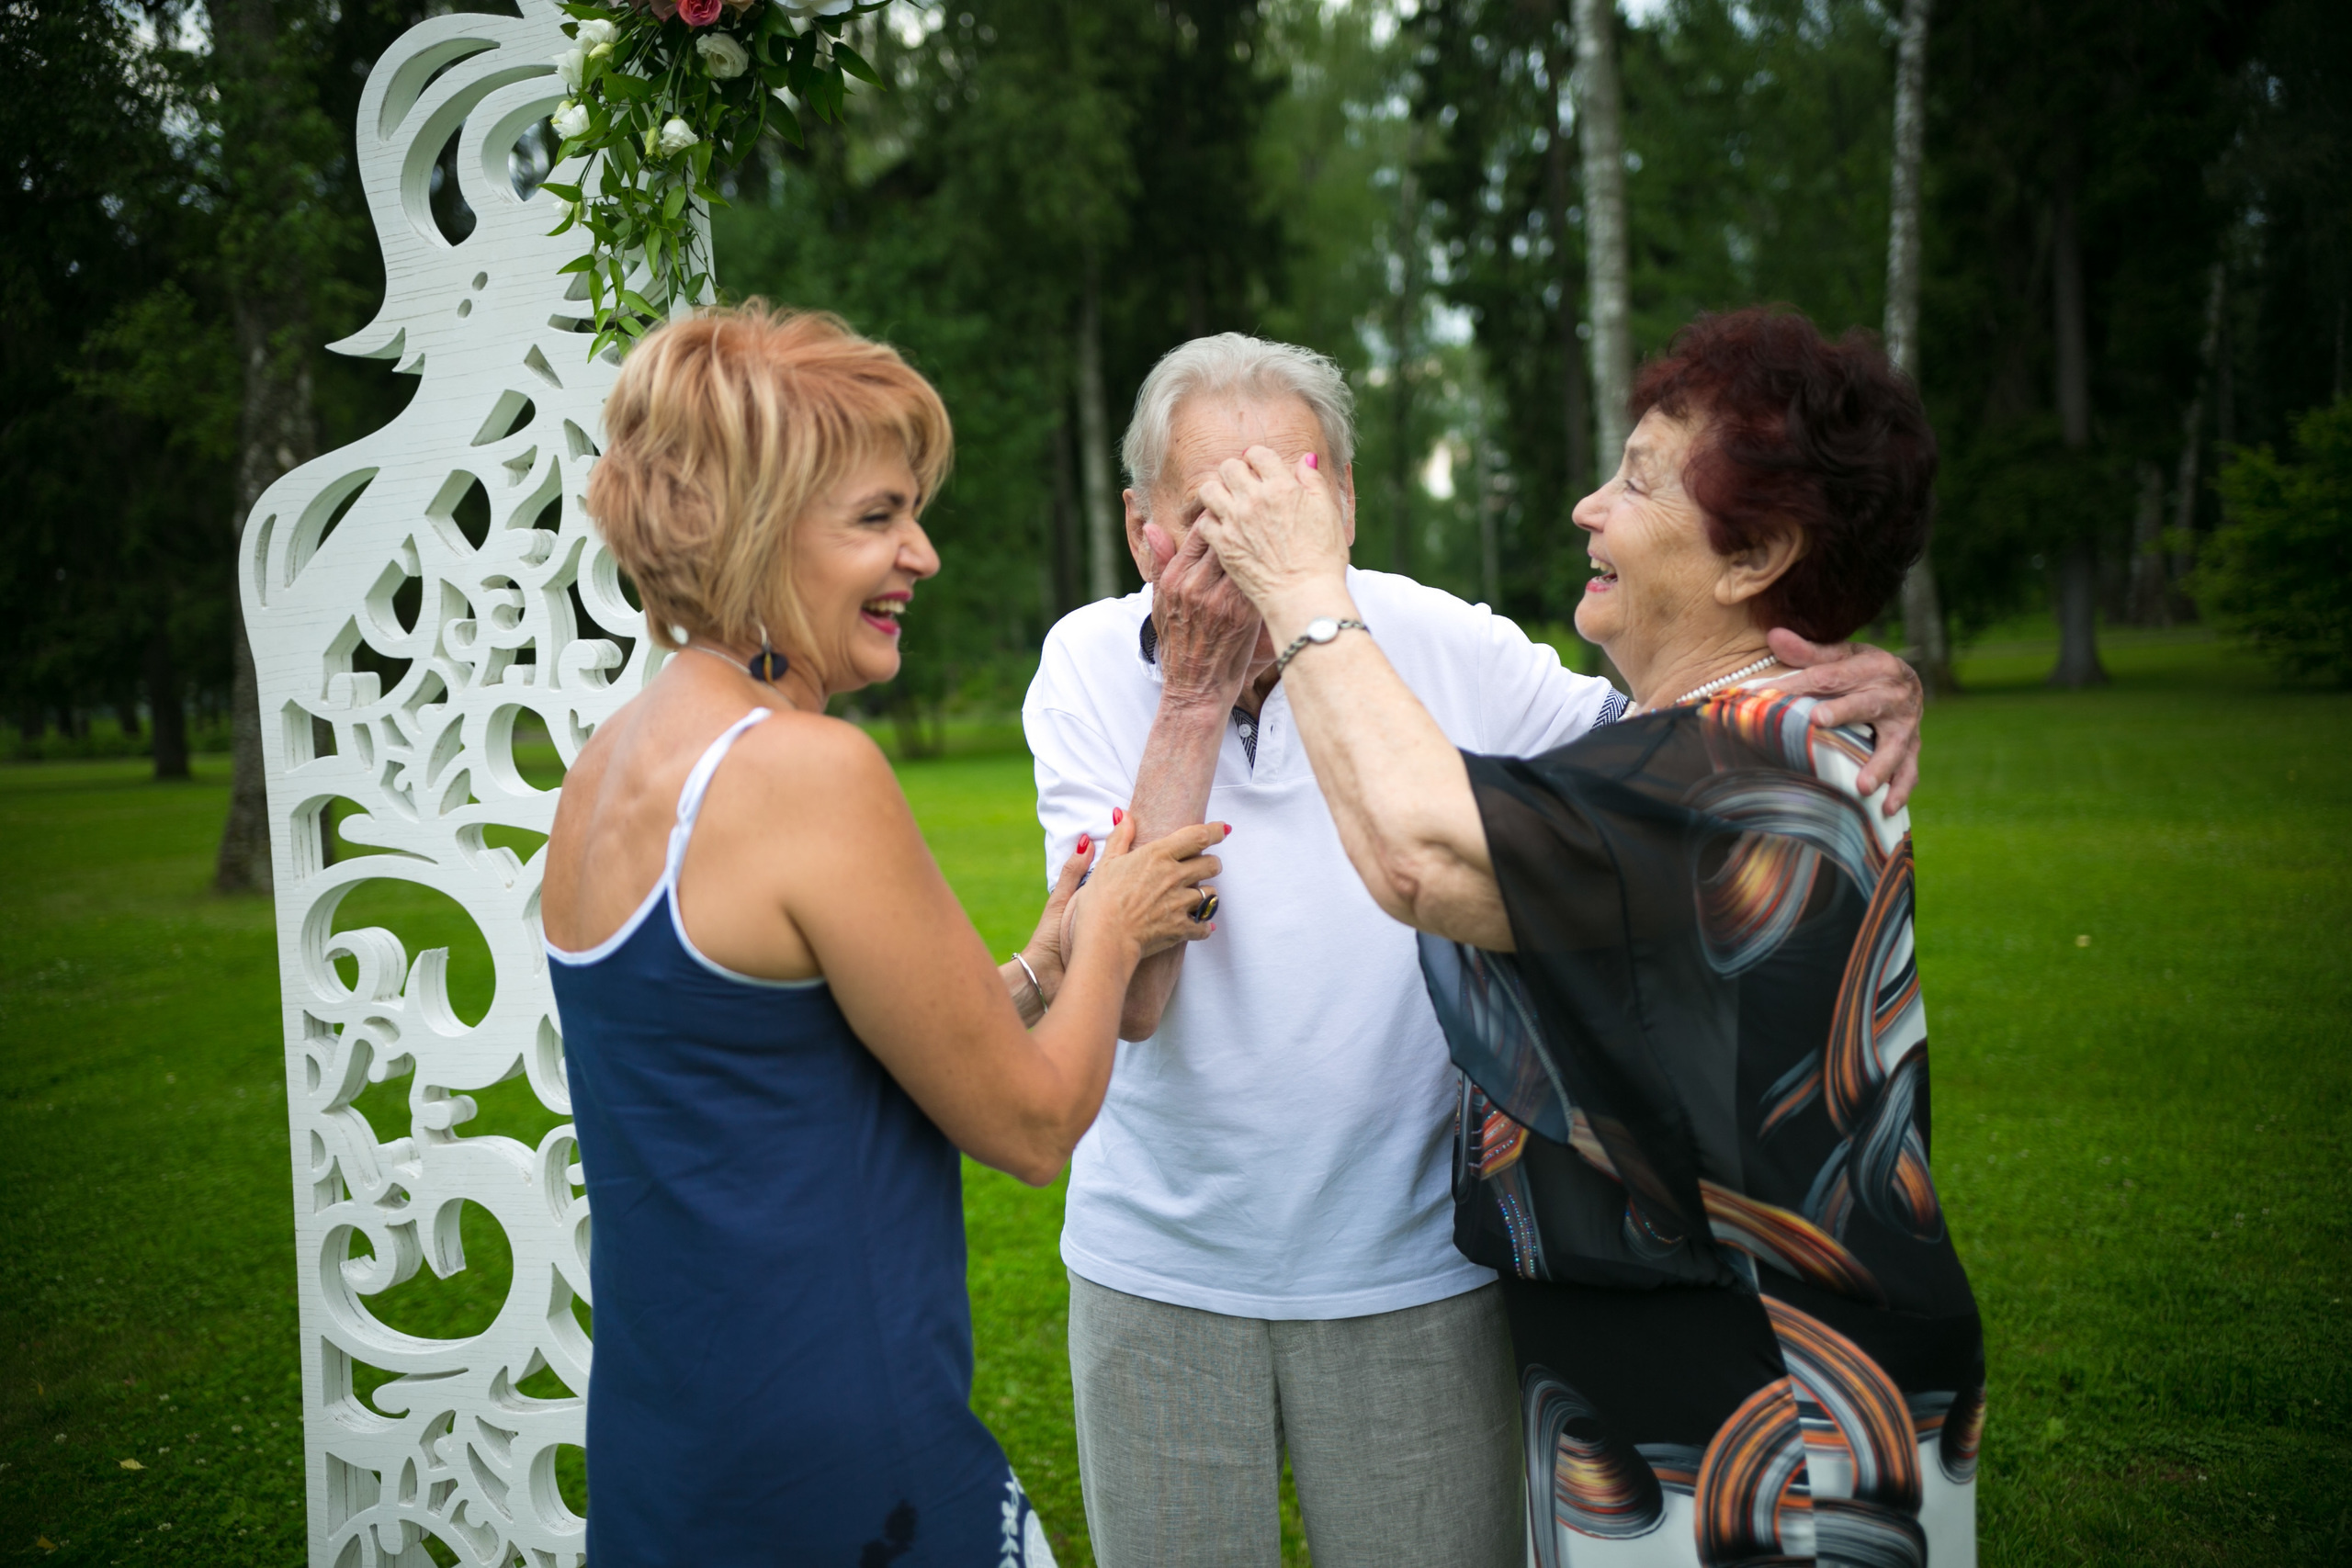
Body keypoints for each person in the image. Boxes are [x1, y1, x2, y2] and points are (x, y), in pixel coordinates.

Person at [1022, 332, 1928, 1568]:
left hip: (1478, 1290)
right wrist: (1186, 703)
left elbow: (1662, 745)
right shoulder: (1087, 661)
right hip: (1169, 1263)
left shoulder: (1447, 647)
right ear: (1142, 533)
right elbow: (1130, 997)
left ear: (1338, 502)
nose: (1242, 546)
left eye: (1277, 500)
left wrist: (1829, 669)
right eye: (1211, 514)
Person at [538, 304, 1227, 1567]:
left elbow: (788, 1064)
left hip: (671, 1461)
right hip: (846, 1472)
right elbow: (1026, 1125)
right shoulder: (807, 772)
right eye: (876, 517)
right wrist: (1122, 926)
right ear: (749, 524)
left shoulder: (608, 767)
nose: (923, 553)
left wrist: (1039, 965)